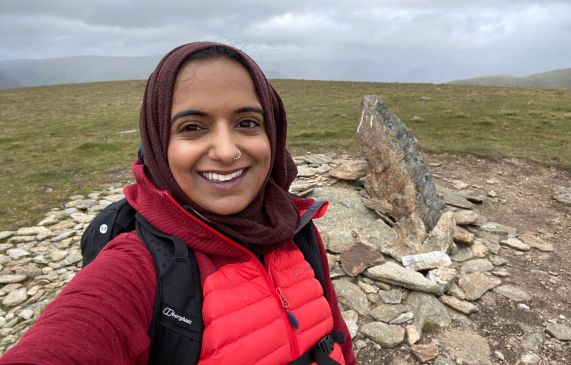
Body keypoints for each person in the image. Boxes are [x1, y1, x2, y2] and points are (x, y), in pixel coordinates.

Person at [0, 42, 356, 364]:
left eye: (247, 122)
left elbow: (339, 340)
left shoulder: (293, 226)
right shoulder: (137, 267)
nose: (227, 151)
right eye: (192, 127)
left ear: (273, 132)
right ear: (158, 142)